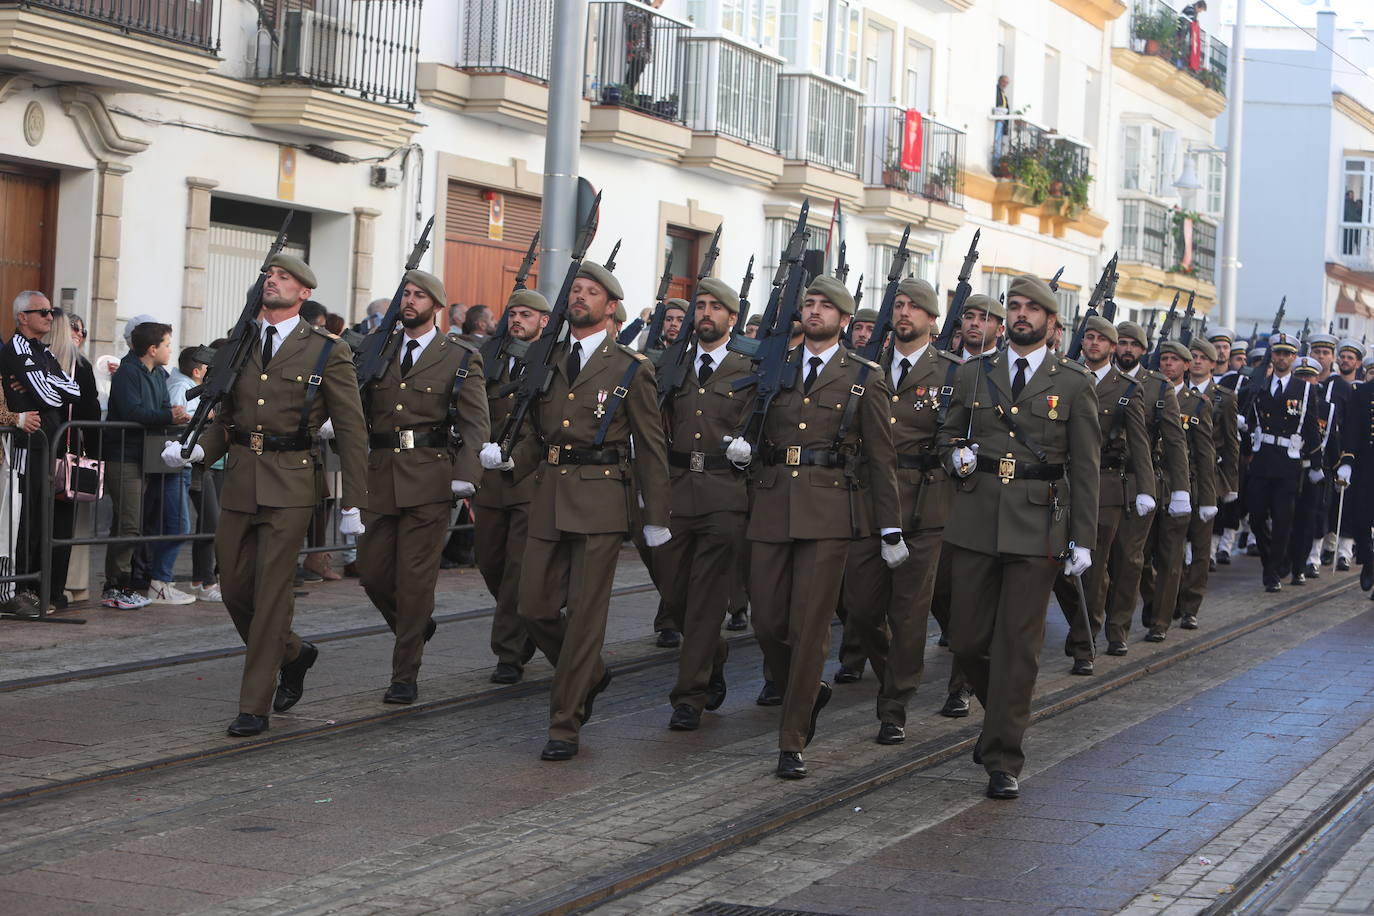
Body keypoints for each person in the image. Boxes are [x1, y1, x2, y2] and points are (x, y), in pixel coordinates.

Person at [161, 253, 369, 737]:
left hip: (293, 481)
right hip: (240, 476)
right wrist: (195, 450)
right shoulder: (240, 343)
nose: (272, 282)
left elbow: (353, 431)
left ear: (304, 294)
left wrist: (355, 500)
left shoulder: (326, 350)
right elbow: (228, 416)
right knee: (234, 589)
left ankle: (253, 705)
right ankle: (295, 653)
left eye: (284, 278)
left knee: (273, 594)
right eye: (269, 275)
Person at [479, 258, 671, 762]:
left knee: (586, 617)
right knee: (533, 606)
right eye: (576, 290)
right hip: (547, 494)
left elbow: (651, 448)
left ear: (611, 307)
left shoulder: (631, 367)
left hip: (602, 500)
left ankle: (564, 723)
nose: (579, 297)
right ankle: (590, 672)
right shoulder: (548, 359)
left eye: (591, 292)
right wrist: (508, 459)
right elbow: (533, 434)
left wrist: (656, 518)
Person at [725, 274, 904, 780]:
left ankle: (793, 735)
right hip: (771, 505)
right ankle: (809, 691)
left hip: (829, 512)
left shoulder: (863, 376)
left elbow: (880, 460)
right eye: (810, 303)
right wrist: (739, 451)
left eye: (826, 306)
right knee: (767, 624)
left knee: (809, 629)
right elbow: (748, 429)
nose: (815, 311)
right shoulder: (775, 367)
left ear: (845, 321)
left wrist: (889, 528)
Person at [939, 275, 1099, 800]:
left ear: (1053, 324)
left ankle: (1005, 755)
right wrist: (952, 455)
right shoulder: (976, 373)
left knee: (1019, 647)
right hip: (976, 518)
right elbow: (947, 433)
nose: (1021, 315)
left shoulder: (1073, 382)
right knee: (966, 639)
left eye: (1033, 309)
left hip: (1038, 524)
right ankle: (997, 725)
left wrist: (1082, 539)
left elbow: (1085, 467)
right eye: (1015, 307)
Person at [352, 269, 488, 704]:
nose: (409, 301)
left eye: (418, 295)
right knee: (373, 574)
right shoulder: (377, 349)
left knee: (414, 581)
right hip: (379, 475)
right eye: (405, 294)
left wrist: (467, 472)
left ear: (437, 305)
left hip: (431, 478)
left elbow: (474, 422)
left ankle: (404, 674)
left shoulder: (460, 357)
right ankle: (415, 625)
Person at [842, 278, 959, 743]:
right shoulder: (866, 368)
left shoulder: (950, 374)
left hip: (924, 503)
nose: (904, 313)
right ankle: (895, 669)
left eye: (915, 308)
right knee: (861, 606)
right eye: (900, 305)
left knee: (910, 610)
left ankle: (894, 706)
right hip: (870, 497)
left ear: (933, 320)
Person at [655, 277, 751, 732]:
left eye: (716, 307)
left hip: (723, 491)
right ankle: (713, 653)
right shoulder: (674, 362)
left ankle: (688, 696)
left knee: (708, 598)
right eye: (701, 306)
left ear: (733, 317)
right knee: (675, 595)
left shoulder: (748, 366)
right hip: (676, 489)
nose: (706, 314)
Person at [1054, 317, 1152, 671]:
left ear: (1113, 347)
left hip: (1105, 488)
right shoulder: (1066, 378)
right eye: (1089, 338)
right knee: (1059, 569)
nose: (1093, 344)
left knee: (1093, 571)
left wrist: (1146, 489)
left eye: (1102, 339)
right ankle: (1082, 627)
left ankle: (1086, 640)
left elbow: (1140, 442)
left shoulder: (1126, 387)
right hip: (1063, 484)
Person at [477, 290, 549, 685]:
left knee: (517, 569)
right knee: (489, 561)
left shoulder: (549, 359)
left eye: (527, 314)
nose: (518, 319)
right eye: (514, 313)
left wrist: (517, 456)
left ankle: (508, 653)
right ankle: (529, 620)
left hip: (528, 479)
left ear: (543, 321)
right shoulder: (492, 357)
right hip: (489, 477)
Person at [1103, 321, 1189, 650]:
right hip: (1100, 478)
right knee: (1097, 560)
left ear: (1142, 350)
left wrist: (1180, 489)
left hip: (1138, 479)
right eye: (1121, 343)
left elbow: (1174, 440)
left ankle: (1119, 628)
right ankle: (1093, 620)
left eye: (1132, 345)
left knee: (1130, 558)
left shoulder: (1158, 387)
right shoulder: (1096, 380)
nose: (1126, 349)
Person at [103, 322, 193, 607]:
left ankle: (124, 583)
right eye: (167, 344)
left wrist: (171, 413)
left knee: (134, 522)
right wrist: (169, 416)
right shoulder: (128, 372)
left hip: (147, 454)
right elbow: (134, 411)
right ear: (152, 349)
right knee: (128, 523)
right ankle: (116, 586)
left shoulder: (158, 373)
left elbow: (162, 406)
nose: (170, 349)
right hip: (124, 455)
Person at [2, 293, 82, 613]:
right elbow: (49, 397)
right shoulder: (18, 348)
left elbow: (72, 390)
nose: (50, 317)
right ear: (23, 317)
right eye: (43, 312)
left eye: (51, 311)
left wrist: (42, 382)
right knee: (21, 521)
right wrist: (44, 387)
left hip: (45, 446)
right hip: (23, 448)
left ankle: (31, 589)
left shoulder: (42, 352)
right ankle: (16, 591)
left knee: (38, 521)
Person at [1240, 332, 1323, 593]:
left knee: (1283, 519)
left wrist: (1317, 465)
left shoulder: (1304, 389)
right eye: (1278, 353)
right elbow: (1248, 422)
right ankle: (1270, 561)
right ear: (1272, 356)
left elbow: (1312, 429)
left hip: (1288, 463)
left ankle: (1272, 571)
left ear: (1294, 358)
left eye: (1287, 354)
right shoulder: (1259, 386)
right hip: (1263, 460)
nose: (1282, 358)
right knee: (1255, 518)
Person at [1145, 340, 1215, 640]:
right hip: (1149, 485)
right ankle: (1159, 601)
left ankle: (1160, 623)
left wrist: (1207, 498)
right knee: (1140, 557)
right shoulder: (1145, 394)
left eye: (1175, 360)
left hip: (1179, 488)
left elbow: (1204, 454)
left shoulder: (1197, 403)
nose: (1167, 364)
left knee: (1171, 558)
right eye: (1164, 358)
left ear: (1186, 366)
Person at [39, 309, 101, 608]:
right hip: (67, 455)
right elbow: (90, 413)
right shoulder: (79, 366)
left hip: (41, 452)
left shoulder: (38, 362)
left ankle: (37, 588)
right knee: (61, 527)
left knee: (35, 524)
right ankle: (53, 591)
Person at [168, 345, 221, 601]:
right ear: (199, 371)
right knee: (206, 521)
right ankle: (204, 581)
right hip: (191, 463)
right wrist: (205, 417)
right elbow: (180, 417)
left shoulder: (185, 383)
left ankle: (204, 579)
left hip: (199, 462)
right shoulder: (182, 386)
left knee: (208, 521)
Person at [958, 293, 1004, 360]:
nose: (974, 323)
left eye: (984, 319)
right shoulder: (943, 364)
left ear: (999, 330)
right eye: (969, 317)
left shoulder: (1007, 367)